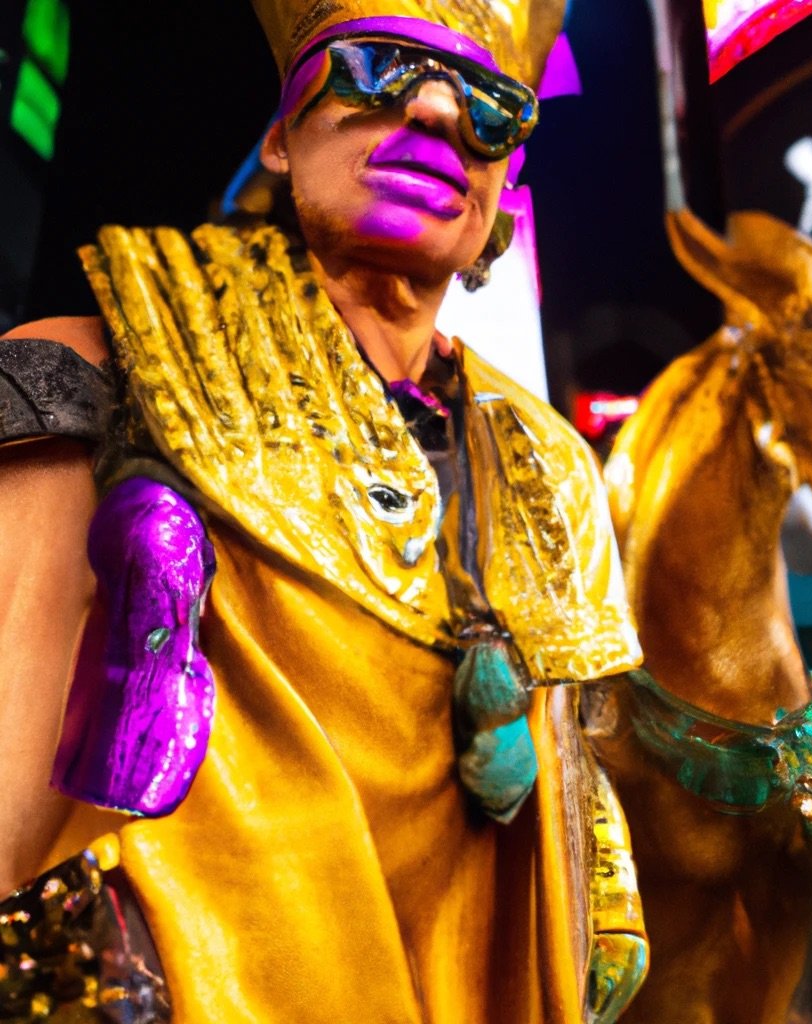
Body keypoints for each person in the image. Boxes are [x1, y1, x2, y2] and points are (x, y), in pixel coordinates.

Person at [0, 2, 656, 1022]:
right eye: (379, 65)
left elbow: (574, 769)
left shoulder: (552, 467)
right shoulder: (102, 365)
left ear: (506, 183)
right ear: (280, 131)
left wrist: (604, 893)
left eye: (490, 101)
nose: (439, 108)